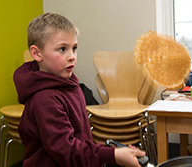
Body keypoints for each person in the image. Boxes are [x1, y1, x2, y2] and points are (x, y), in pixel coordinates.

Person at [13, 13, 145, 167]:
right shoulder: (45, 99)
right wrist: (113, 155)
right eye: (62, 49)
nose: (72, 57)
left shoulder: (69, 83)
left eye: (74, 48)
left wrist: (113, 152)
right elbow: (66, 149)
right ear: (36, 53)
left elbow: (79, 139)